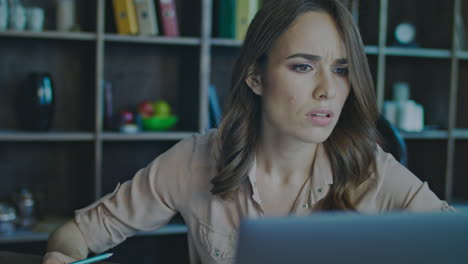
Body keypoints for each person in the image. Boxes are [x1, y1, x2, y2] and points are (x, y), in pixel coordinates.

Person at [42, 0, 454, 263]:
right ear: (255, 77)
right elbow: (77, 234)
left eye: (342, 70)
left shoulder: (373, 171)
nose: (329, 89)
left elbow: (453, 242)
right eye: (303, 66)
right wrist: (61, 257)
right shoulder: (195, 159)